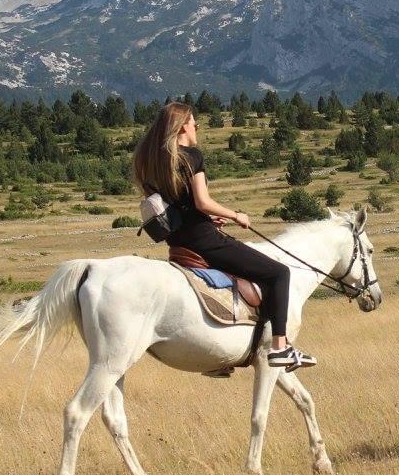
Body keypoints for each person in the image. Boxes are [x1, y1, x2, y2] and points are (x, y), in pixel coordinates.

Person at [132, 102, 316, 371]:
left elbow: (182, 207)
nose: (197, 126)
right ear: (183, 125)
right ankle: (280, 347)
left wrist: (208, 218)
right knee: (278, 274)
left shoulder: (157, 162)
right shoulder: (191, 156)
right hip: (206, 242)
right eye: (194, 121)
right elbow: (202, 202)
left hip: (179, 243)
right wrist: (234, 215)